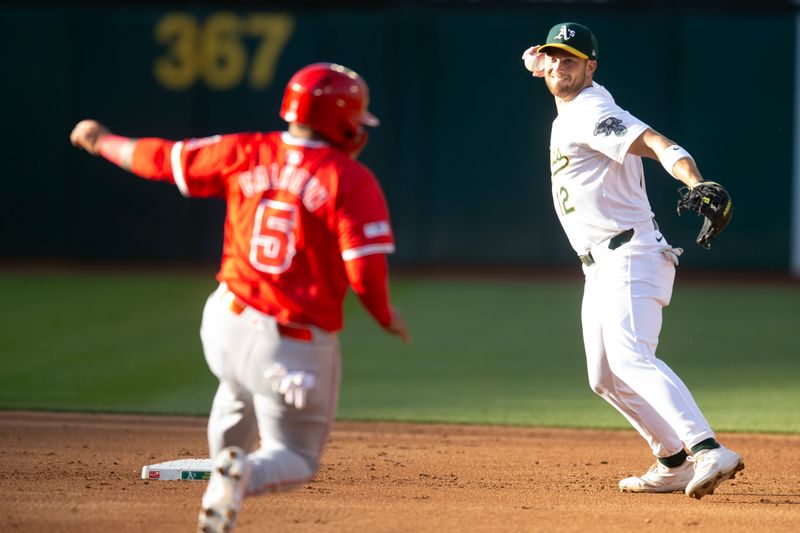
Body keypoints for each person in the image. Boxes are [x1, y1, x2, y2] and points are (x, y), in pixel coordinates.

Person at [70, 62, 410, 533]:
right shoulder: (349, 179)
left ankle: (222, 473)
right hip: (291, 345)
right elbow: (365, 274)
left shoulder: (245, 150)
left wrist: (100, 140)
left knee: (236, 386)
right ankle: (239, 473)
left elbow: (158, 159)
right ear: (346, 121)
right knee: (295, 456)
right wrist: (386, 316)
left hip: (225, 322)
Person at [521, 23, 743, 499]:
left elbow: (657, 142)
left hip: (630, 254)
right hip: (599, 265)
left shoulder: (591, 110)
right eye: (554, 57)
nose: (560, 65)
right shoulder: (564, 91)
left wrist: (693, 181)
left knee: (631, 358)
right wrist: (537, 60)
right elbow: (540, 61)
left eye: (572, 59)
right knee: (603, 378)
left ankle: (707, 448)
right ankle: (673, 461)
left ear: (591, 67)